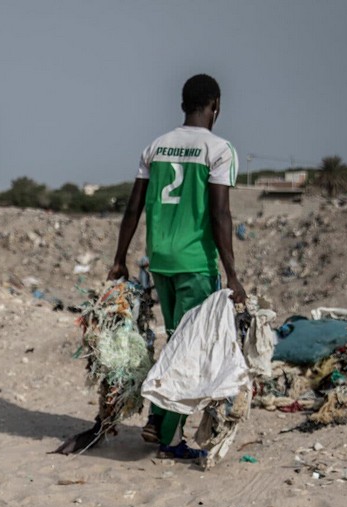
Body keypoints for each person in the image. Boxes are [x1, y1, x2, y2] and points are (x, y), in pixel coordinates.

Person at [108, 74, 245, 460]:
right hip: (195, 265)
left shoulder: (156, 146)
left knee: (175, 339)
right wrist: (232, 274)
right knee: (190, 348)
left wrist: (120, 258)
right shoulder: (219, 149)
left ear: (183, 104)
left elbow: (133, 206)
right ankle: (166, 435)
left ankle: (158, 416)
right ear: (215, 105)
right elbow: (220, 214)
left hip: (160, 262)